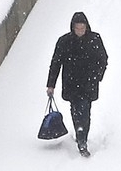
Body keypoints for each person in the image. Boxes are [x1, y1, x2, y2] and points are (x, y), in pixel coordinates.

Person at [45, 10, 108, 157]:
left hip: (88, 83)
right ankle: (81, 137)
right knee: (76, 110)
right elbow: (55, 63)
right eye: (77, 28)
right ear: (72, 28)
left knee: (85, 110)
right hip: (71, 83)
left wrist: (97, 76)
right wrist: (51, 84)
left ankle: (82, 137)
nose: (80, 31)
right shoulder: (64, 42)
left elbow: (103, 59)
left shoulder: (94, 39)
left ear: (87, 27)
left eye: (82, 28)